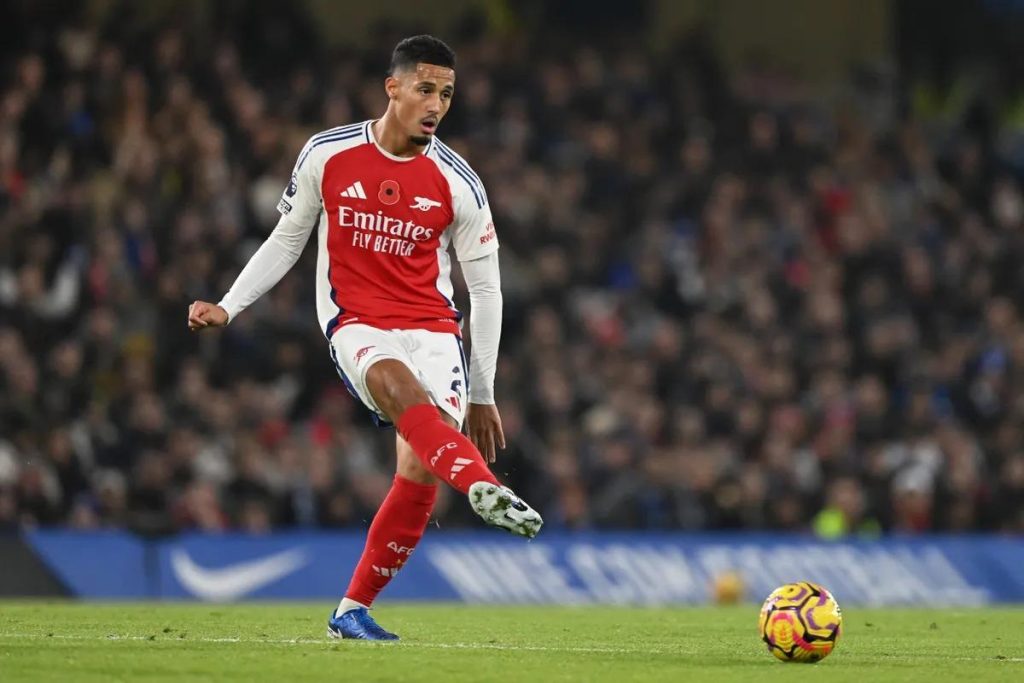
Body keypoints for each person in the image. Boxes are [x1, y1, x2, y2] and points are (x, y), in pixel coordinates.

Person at [186, 35, 542, 640]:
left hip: (433, 327)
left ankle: (351, 610)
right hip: (357, 321)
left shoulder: (459, 183)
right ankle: (482, 485)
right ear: (393, 87)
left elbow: (486, 292)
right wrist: (229, 305)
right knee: (401, 393)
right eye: (425, 89)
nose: (436, 105)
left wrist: (483, 393)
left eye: (447, 94)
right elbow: (287, 239)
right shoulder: (328, 154)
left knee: (421, 464)